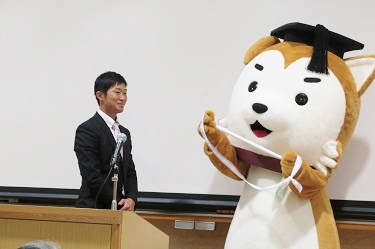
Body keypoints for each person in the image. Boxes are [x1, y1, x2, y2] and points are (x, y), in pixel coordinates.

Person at [74, 71, 138, 210]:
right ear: (100, 95)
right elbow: (92, 175)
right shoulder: (87, 130)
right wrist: (119, 201)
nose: (123, 98)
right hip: (93, 208)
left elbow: (129, 171)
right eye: (117, 92)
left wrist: (131, 198)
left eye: (125, 93)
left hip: (121, 211)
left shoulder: (124, 133)